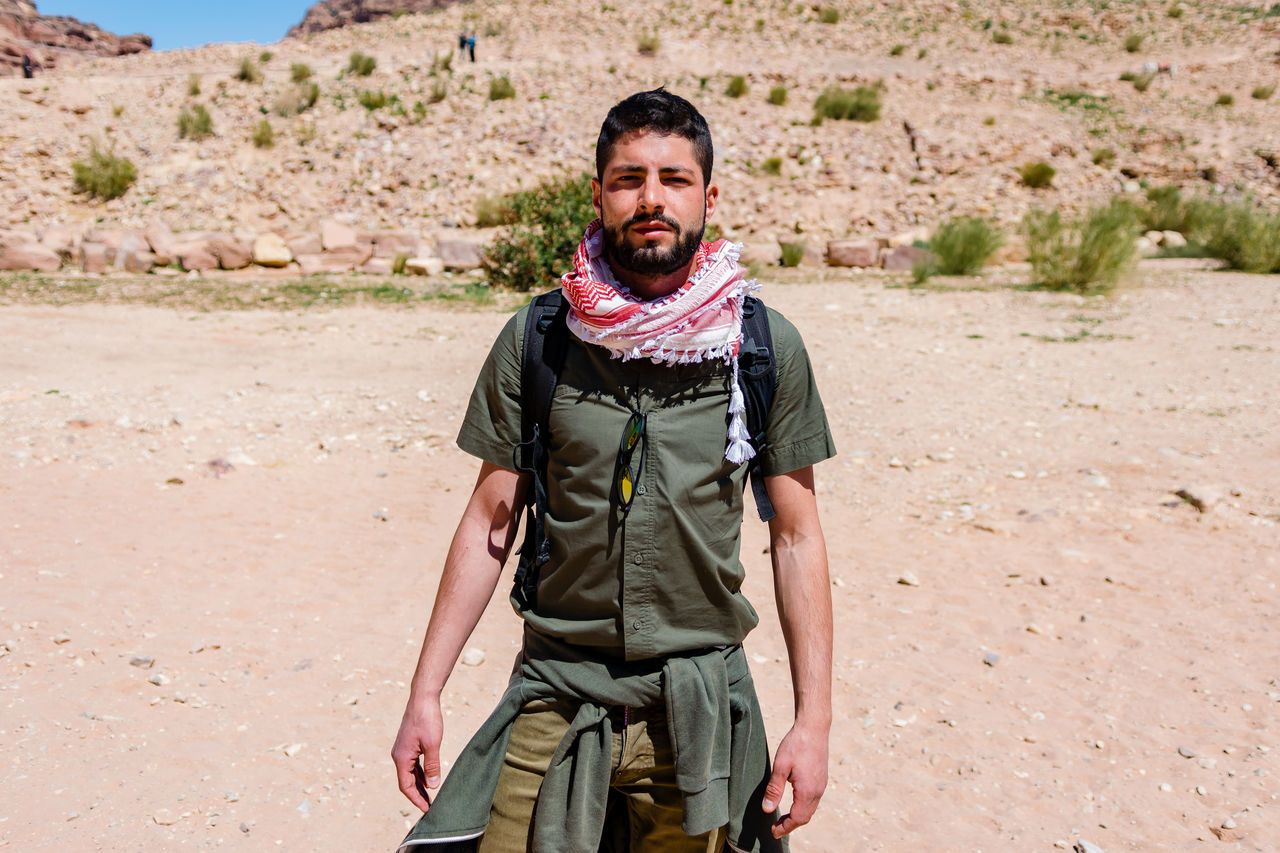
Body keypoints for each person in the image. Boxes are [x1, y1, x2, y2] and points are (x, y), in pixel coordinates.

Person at [392, 88, 835, 853]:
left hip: (699, 704)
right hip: (556, 694)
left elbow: (795, 538)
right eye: (629, 178)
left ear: (709, 196)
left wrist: (814, 721)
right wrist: (424, 691)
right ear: (599, 194)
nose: (651, 198)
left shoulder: (760, 346)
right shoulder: (540, 338)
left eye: (674, 178)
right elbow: (490, 520)